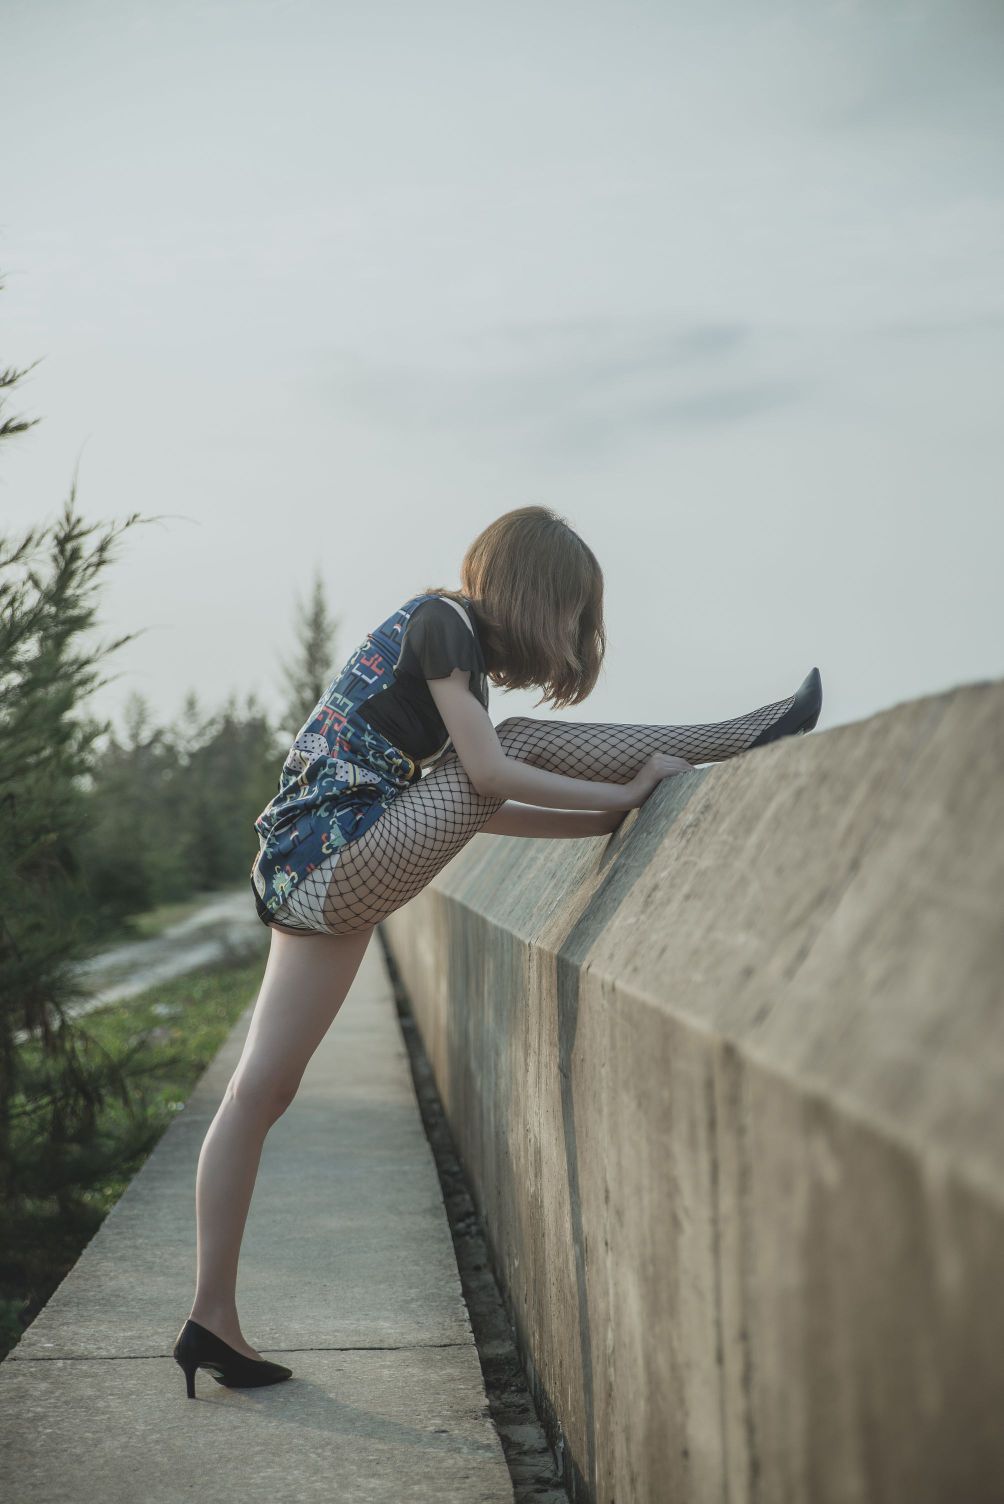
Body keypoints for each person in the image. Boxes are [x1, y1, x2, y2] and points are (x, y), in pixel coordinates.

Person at [172, 504, 822, 1397]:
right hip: (334, 853)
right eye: (572, 612)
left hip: (308, 866)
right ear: (532, 589)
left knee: (258, 1093)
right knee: (512, 743)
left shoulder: (451, 658)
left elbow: (482, 808)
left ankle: (211, 1320)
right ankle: (737, 737)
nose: (574, 633)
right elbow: (489, 777)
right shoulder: (443, 622)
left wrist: (617, 811)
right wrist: (634, 786)